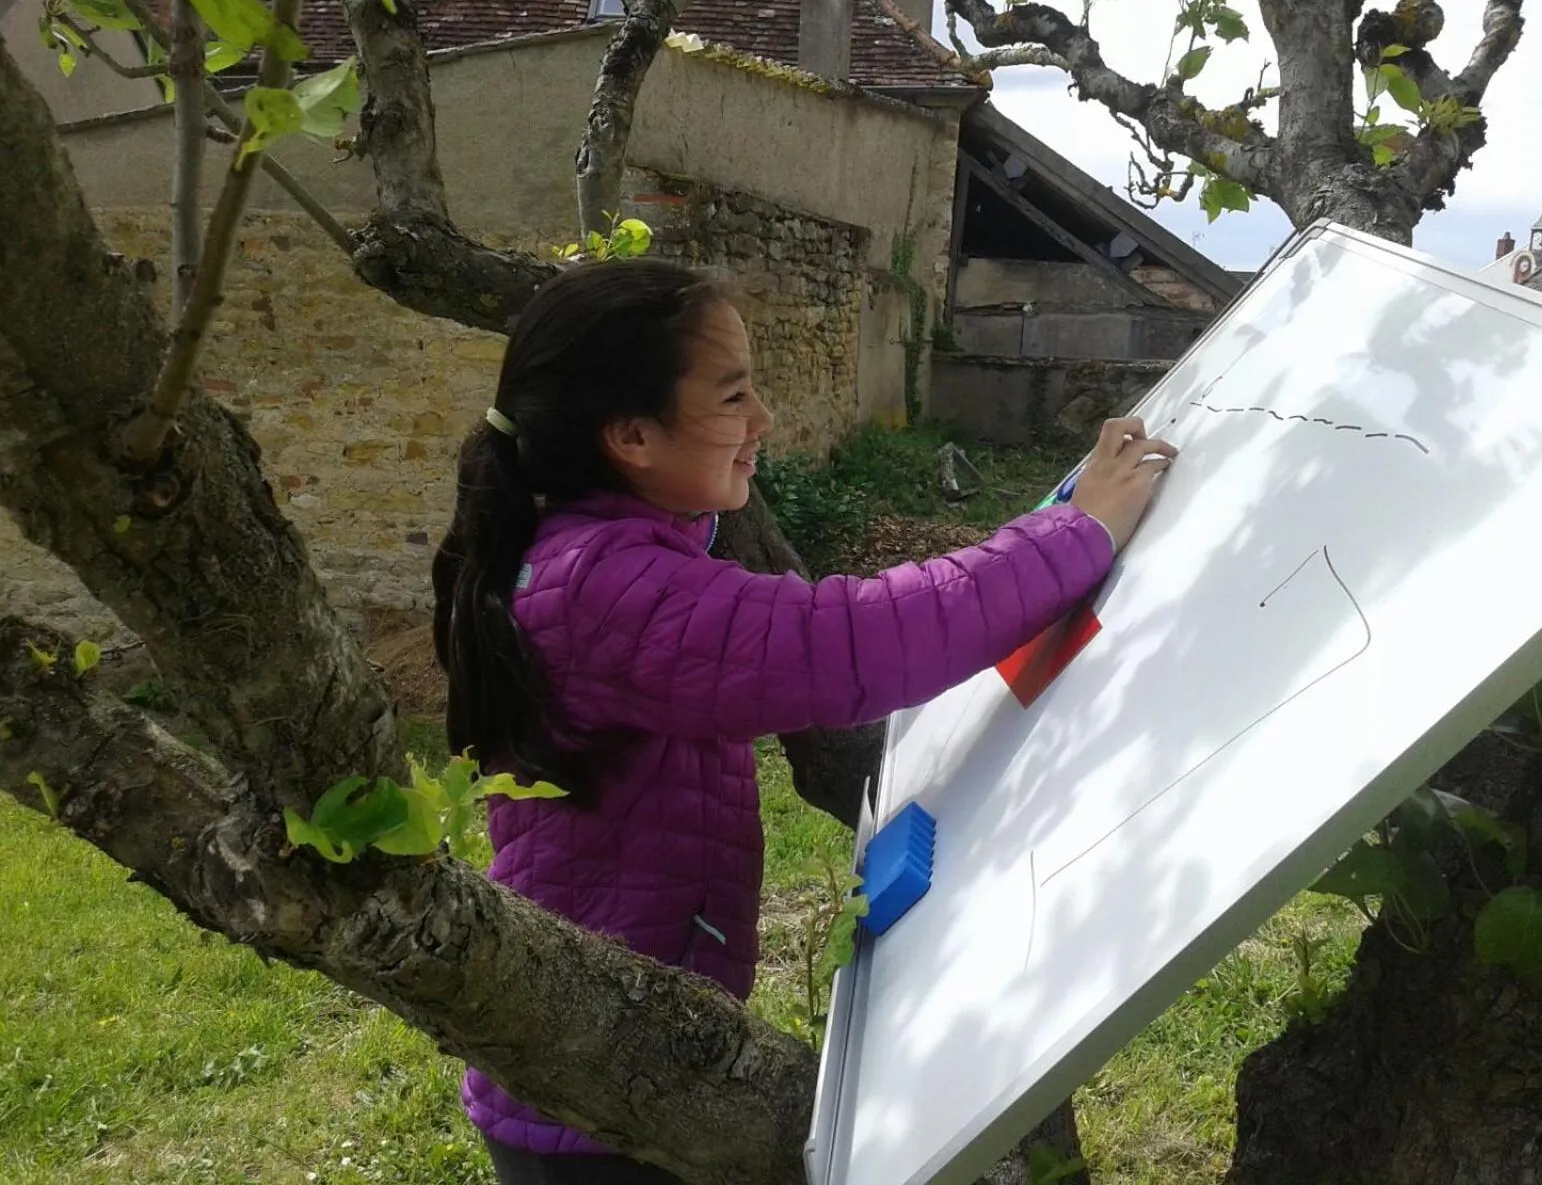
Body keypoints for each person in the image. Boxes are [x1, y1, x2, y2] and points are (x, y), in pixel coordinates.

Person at [432, 258, 1175, 1184]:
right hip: (596, 1117)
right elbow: (857, 641)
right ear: (631, 435)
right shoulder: (608, 589)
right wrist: (1081, 532)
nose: (764, 423)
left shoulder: (594, 553)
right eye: (734, 396)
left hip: (601, 1063)